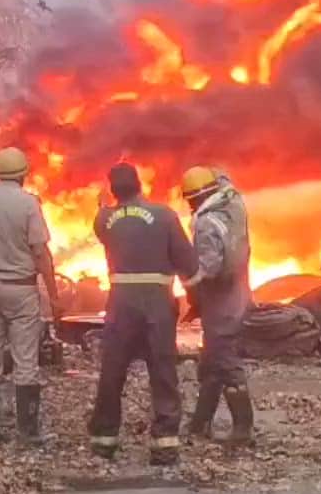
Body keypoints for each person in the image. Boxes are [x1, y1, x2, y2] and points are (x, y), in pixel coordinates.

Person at [88, 163, 200, 465]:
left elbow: (102, 222)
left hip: (120, 304)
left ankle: (103, 441)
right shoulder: (164, 216)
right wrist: (195, 296)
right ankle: (164, 444)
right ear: (140, 185)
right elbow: (188, 265)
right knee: (163, 372)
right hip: (157, 303)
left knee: (112, 372)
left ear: (114, 191)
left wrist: (103, 206)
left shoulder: (105, 220)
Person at [0, 147, 60, 446]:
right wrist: (54, 294)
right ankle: (26, 432)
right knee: (25, 361)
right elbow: (40, 252)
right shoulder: (29, 204)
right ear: (22, 174)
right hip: (20, 290)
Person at [182, 165, 255, 446]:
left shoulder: (206, 223)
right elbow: (226, 177)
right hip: (238, 294)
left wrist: (189, 282)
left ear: (194, 199)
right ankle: (200, 423)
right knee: (211, 360)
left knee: (225, 359)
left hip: (220, 301)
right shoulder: (233, 204)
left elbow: (208, 268)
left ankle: (243, 427)